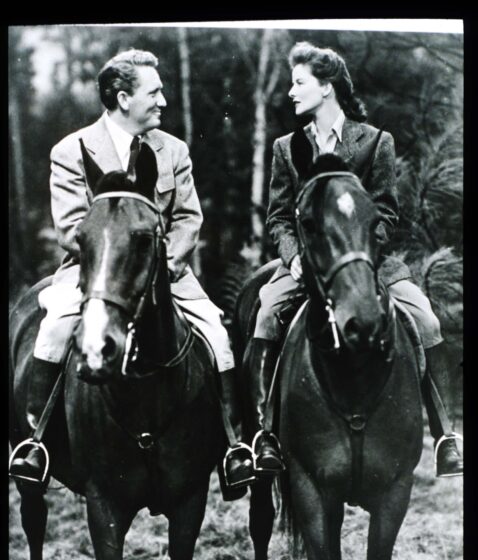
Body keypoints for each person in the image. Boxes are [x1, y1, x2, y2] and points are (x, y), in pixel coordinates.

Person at [10, 48, 252, 491]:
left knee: (217, 333)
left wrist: (166, 265)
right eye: (154, 92)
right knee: (53, 329)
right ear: (123, 98)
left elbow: (187, 218)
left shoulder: (173, 150)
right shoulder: (71, 151)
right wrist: (111, 264)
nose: (163, 101)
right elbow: (69, 228)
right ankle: (35, 442)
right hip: (93, 275)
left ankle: (235, 446)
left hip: (166, 274)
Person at [247, 41, 462, 478]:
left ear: (327, 87)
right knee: (266, 313)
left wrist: (360, 255)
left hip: (367, 262)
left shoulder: (377, 141)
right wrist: (292, 261)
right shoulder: (287, 148)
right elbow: (278, 218)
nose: (291, 92)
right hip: (306, 264)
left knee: (427, 321)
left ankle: (445, 436)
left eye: (299, 82)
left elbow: (385, 211)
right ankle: (263, 434)